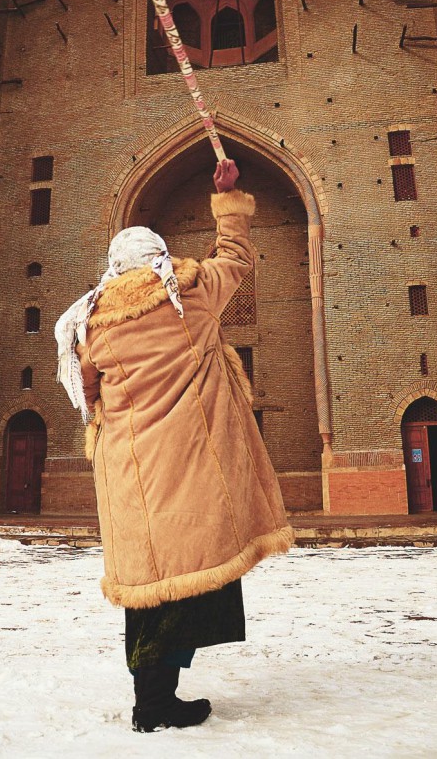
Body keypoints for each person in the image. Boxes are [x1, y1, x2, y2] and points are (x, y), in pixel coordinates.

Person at [55, 158, 293, 733]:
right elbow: (235, 257)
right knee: (192, 570)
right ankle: (157, 705)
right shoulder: (191, 296)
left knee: (149, 591)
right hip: (191, 467)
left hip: (129, 477)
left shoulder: (90, 324)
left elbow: (87, 395)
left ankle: (154, 697)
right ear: (158, 258)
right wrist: (228, 201)